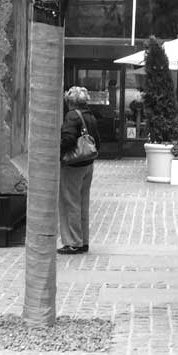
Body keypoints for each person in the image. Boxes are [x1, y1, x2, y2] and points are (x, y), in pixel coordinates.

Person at [58, 86, 101, 254]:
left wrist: (59, 153)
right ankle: (83, 241)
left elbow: (68, 139)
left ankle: (73, 242)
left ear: (70, 102)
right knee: (83, 203)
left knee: (70, 203)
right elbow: (97, 141)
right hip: (87, 164)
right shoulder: (90, 116)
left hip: (73, 166)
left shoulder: (72, 116)